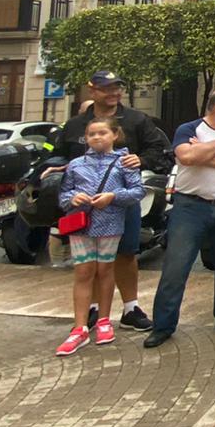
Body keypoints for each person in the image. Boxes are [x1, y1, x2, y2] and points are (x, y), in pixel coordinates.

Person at [54, 69, 171, 333]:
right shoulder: (74, 125)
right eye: (107, 88)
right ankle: (92, 310)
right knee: (90, 263)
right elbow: (59, 155)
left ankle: (130, 308)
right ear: (93, 91)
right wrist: (51, 169)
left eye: (117, 87)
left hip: (120, 205)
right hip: (83, 209)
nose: (114, 92)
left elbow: (160, 151)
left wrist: (142, 160)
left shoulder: (137, 120)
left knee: (126, 254)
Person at [145, 86, 215, 348]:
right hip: (190, 208)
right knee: (176, 267)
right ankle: (163, 326)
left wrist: (205, 155)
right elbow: (184, 156)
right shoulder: (189, 129)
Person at [54, 117, 145, 357]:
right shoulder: (75, 165)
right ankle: (80, 326)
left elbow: (137, 191)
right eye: (91, 134)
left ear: (115, 134)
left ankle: (104, 319)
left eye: (102, 133)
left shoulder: (125, 162)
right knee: (83, 271)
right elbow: (63, 195)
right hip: (81, 225)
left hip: (110, 224)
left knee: (106, 270)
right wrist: (72, 199)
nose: (97, 138)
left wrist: (112, 197)